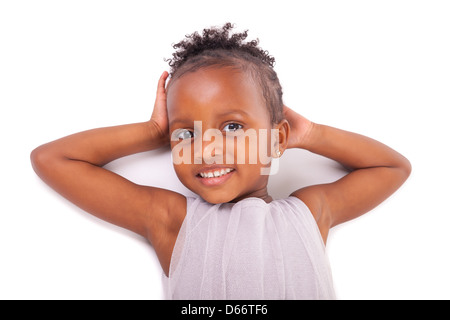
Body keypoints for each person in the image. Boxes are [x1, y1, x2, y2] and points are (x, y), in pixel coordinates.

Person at [30, 23, 411, 299]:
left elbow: (392, 167)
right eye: (187, 134)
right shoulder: (172, 221)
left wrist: (310, 134)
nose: (206, 149)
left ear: (275, 138)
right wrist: (152, 131)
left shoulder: (309, 213)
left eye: (231, 126)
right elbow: (52, 158)